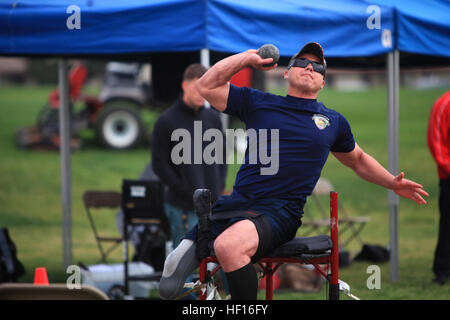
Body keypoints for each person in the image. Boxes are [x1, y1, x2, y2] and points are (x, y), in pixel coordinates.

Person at [158, 42, 428, 300]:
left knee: (228, 247)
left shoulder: (333, 122)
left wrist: (393, 183)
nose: (310, 68)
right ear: (286, 72)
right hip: (236, 203)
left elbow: (358, 160)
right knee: (171, 272)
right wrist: (247, 58)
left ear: (323, 81)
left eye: (318, 67)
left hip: (280, 212)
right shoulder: (258, 103)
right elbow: (206, 85)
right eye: (302, 62)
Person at [151, 63, 227, 249]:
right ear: (185, 86)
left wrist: (218, 187)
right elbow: (159, 164)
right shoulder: (166, 121)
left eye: (206, 88)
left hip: (212, 206)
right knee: (184, 263)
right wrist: (184, 190)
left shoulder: (213, 118)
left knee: (220, 258)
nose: (201, 94)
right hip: (182, 207)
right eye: (197, 88)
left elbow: (222, 158)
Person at [427, 90, 450, 285]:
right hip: (449, 177)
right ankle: (442, 270)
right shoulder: (444, 103)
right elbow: (436, 143)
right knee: (448, 225)